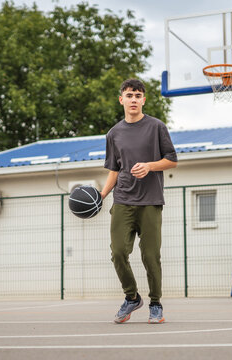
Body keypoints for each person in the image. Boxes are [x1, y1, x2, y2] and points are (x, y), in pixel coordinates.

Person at [100, 78, 178, 324]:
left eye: (138, 95)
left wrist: (150, 166)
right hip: (122, 199)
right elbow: (114, 169)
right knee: (119, 252)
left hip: (151, 201)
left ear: (144, 100)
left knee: (150, 256)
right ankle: (132, 297)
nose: (133, 99)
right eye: (129, 95)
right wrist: (101, 195)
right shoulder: (114, 134)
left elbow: (172, 160)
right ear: (121, 99)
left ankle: (155, 303)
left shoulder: (156, 127)